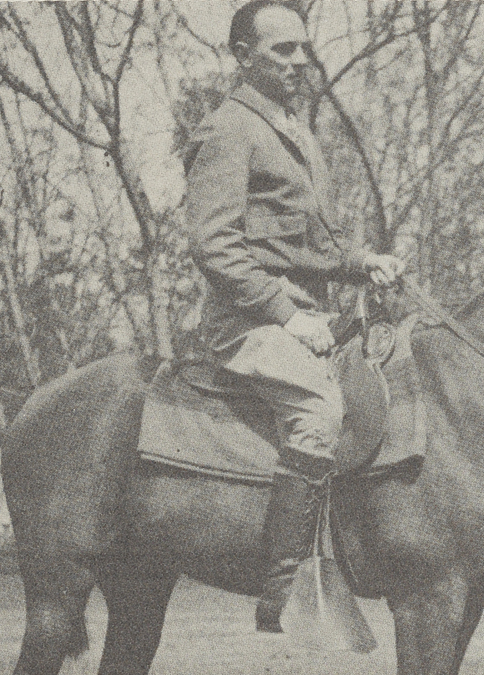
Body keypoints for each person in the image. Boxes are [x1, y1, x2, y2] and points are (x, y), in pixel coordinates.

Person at [184, 0, 404, 632]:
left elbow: (305, 244)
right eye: (282, 50)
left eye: (304, 49)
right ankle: (283, 584)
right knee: (320, 405)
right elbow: (213, 243)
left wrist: (362, 262)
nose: (300, 63)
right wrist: (285, 314)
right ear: (242, 56)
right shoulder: (227, 129)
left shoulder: (292, 131)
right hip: (244, 321)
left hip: (305, 312)